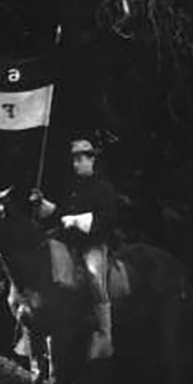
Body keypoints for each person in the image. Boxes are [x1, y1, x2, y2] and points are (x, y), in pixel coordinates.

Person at [29, 137, 118, 359]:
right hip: (66, 240)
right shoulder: (71, 186)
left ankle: (105, 334)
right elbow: (60, 214)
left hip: (92, 243)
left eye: (80, 160)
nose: (76, 164)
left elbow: (107, 219)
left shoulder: (104, 188)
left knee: (95, 276)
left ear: (92, 160)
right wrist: (42, 204)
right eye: (74, 160)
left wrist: (76, 220)